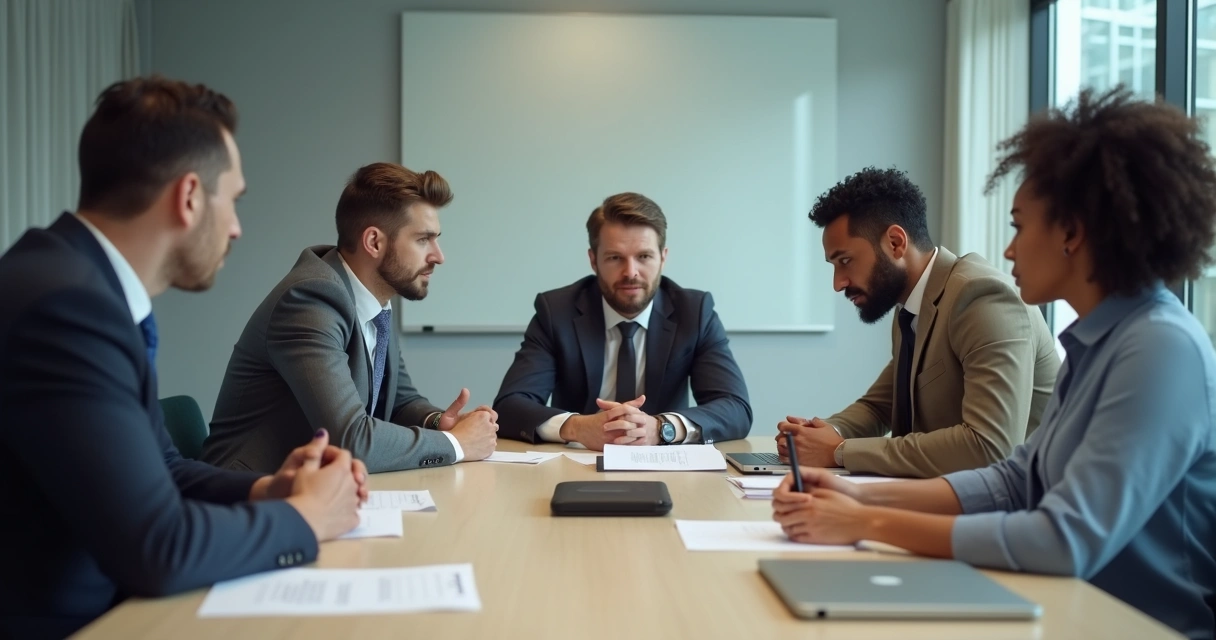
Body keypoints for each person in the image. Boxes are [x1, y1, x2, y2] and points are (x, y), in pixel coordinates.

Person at [771, 87, 1216, 640]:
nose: (1008, 251)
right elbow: (1015, 482)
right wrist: (853, 490)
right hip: (1055, 604)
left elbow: (1062, 538)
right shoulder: (1096, 342)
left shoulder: (1159, 349)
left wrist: (866, 520)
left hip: (1130, 622)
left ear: (1072, 232)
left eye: (1018, 226)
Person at [0, 77, 367, 639]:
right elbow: (157, 547)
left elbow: (163, 469)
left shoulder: (76, 282)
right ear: (190, 196)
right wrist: (306, 518)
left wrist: (268, 489)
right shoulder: (67, 307)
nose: (238, 227)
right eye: (235, 200)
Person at [202, 163, 498, 474]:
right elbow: (350, 439)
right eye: (423, 240)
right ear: (374, 242)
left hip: (317, 489)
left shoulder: (375, 298)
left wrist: (440, 422)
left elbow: (398, 402)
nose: (439, 255)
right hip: (247, 496)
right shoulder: (310, 301)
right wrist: (457, 444)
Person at [777, 167, 1059, 477]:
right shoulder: (912, 308)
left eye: (845, 261)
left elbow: (989, 447)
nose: (838, 282)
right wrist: (819, 434)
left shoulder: (982, 298)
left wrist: (839, 451)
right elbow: (878, 406)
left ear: (896, 243)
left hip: (1019, 508)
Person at [494, 192, 752, 449]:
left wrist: (662, 428)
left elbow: (735, 407)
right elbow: (509, 405)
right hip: (579, 460)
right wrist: (578, 427)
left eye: (644, 256)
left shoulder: (694, 312)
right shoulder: (557, 312)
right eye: (615, 257)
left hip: (667, 464)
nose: (631, 272)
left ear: (663, 257)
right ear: (593, 260)